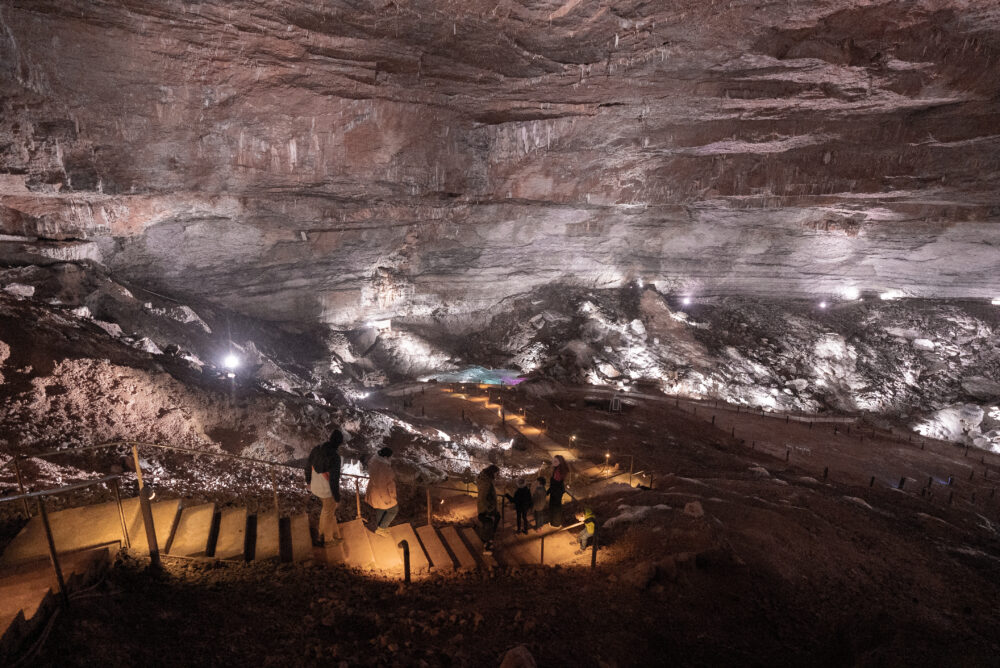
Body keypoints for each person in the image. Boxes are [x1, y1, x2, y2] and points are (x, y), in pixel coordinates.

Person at [305, 428, 344, 547]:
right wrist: (337, 498)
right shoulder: (335, 457)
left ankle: (323, 533)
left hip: (315, 486)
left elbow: (307, 466)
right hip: (326, 490)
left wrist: (308, 481)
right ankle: (326, 540)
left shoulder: (317, 449)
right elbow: (333, 480)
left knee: (326, 510)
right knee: (328, 511)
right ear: (339, 443)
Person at [366, 447, 398, 537]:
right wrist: (386, 499)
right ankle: (382, 528)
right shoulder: (383, 468)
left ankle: (379, 526)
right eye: (390, 457)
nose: (391, 458)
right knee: (393, 509)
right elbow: (381, 485)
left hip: (374, 491)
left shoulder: (375, 461)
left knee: (381, 508)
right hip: (382, 493)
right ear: (386, 457)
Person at [476, 464, 501, 552]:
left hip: (488, 506)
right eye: (496, 474)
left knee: (496, 518)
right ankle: (487, 542)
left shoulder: (485, 479)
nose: (497, 476)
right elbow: (483, 497)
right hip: (486, 509)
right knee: (489, 523)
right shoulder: (486, 483)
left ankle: (488, 538)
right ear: (492, 473)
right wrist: (488, 510)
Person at [548, 455, 569, 527]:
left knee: (555, 508)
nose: (553, 462)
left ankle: (556, 523)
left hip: (556, 492)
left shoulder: (558, 472)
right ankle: (555, 522)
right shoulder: (559, 469)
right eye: (553, 460)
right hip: (557, 491)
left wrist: (548, 491)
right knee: (556, 507)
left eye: (555, 461)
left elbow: (555, 484)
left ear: (560, 462)